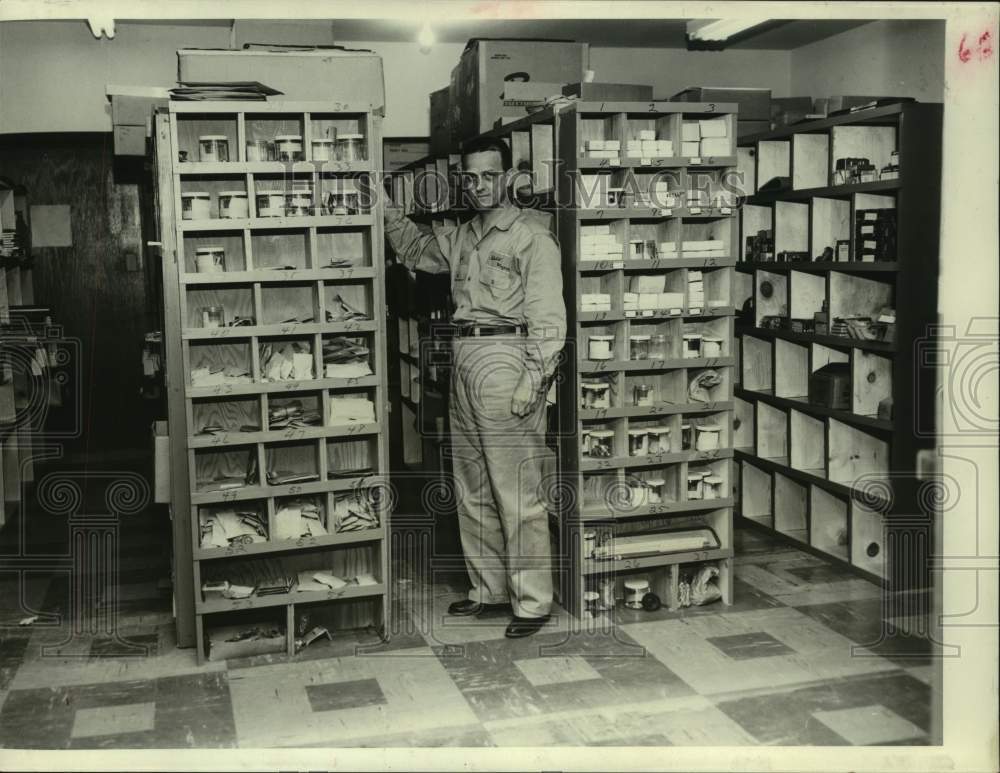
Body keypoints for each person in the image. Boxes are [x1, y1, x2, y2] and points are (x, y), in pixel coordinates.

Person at [384, 137, 566, 638]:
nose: (480, 186)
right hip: (463, 356)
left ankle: (532, 603)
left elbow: (549, 319)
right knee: (472, 486)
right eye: (471, 177)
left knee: (519, 491)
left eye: (490, 175)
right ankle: (489, 591)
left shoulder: (531, 237)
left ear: (509, 177)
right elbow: (417, 250)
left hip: (508, 360)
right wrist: (383, 207)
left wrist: (535, 379)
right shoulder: (463, 235)